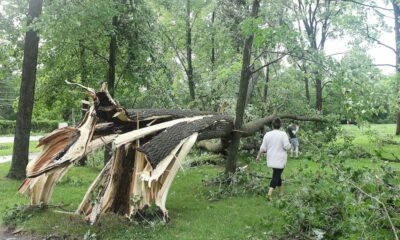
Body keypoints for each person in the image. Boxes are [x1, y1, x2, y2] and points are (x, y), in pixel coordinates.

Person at [256, 118, 291, 201]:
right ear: (280, 125)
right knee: (276, 176)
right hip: (280, 159)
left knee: (277, 174)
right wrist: (290, 145)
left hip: (271, 159)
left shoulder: (267, 134)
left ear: (272, 126)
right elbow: (287, 147)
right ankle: (269, 194)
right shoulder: (283, 134)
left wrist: (258, 156)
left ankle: (281, 192)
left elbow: (263, 147)